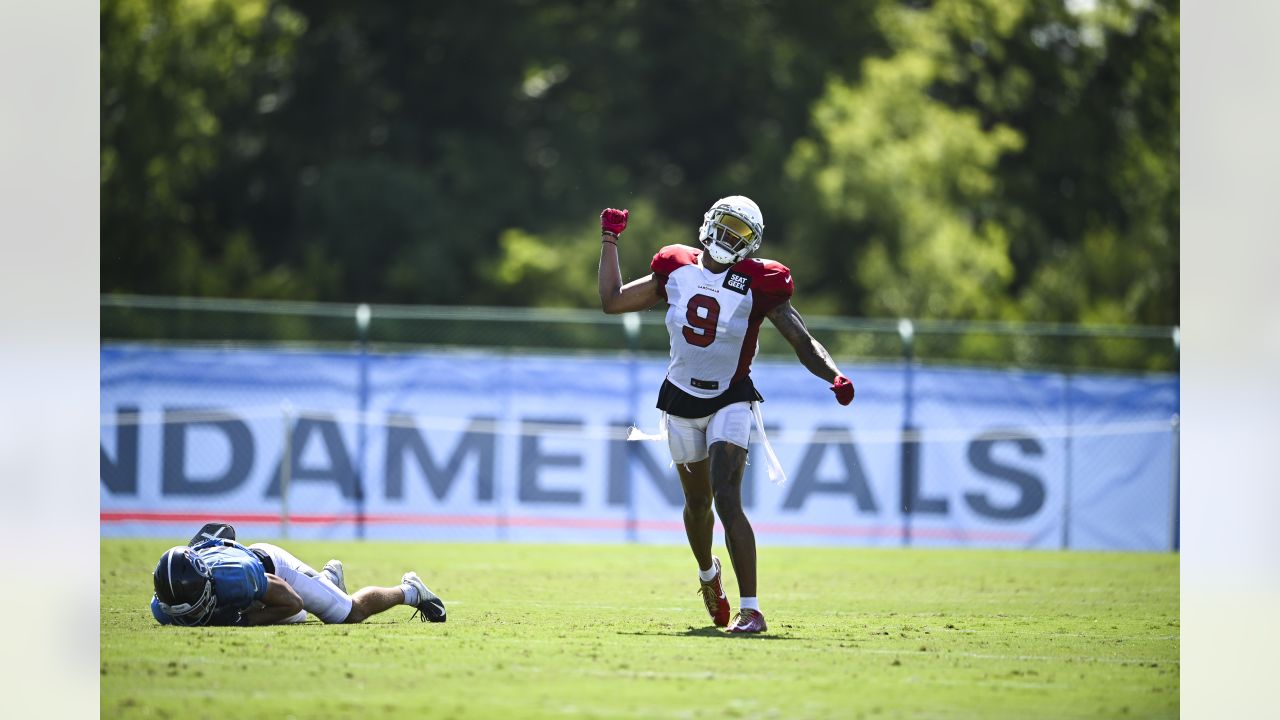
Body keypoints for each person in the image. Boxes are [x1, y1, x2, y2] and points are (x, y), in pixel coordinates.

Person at [597, 197, 855, 634]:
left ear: (751, 244)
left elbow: (801, 338)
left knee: (727, 495)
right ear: (709, 223)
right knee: (698, 506)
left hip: (731, 397)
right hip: (679, 399)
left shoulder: (760, 282)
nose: (729, 236)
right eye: (726, 225)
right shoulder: (676, 266)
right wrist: (610, 240)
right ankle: (707, 575)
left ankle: (752, 609)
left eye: (740, 231)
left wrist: (833, 374)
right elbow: (612, 301)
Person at [149, 524, 446, 626]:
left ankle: (410, 590)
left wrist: (245, 621)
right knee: (297, 621)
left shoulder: (238, 577)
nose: (192, 618)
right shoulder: (164, 607)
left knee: (348, 614)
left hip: (277, 569)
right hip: (246, 584)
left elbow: (291, 602)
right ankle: (328, 581)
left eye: (199, 606)